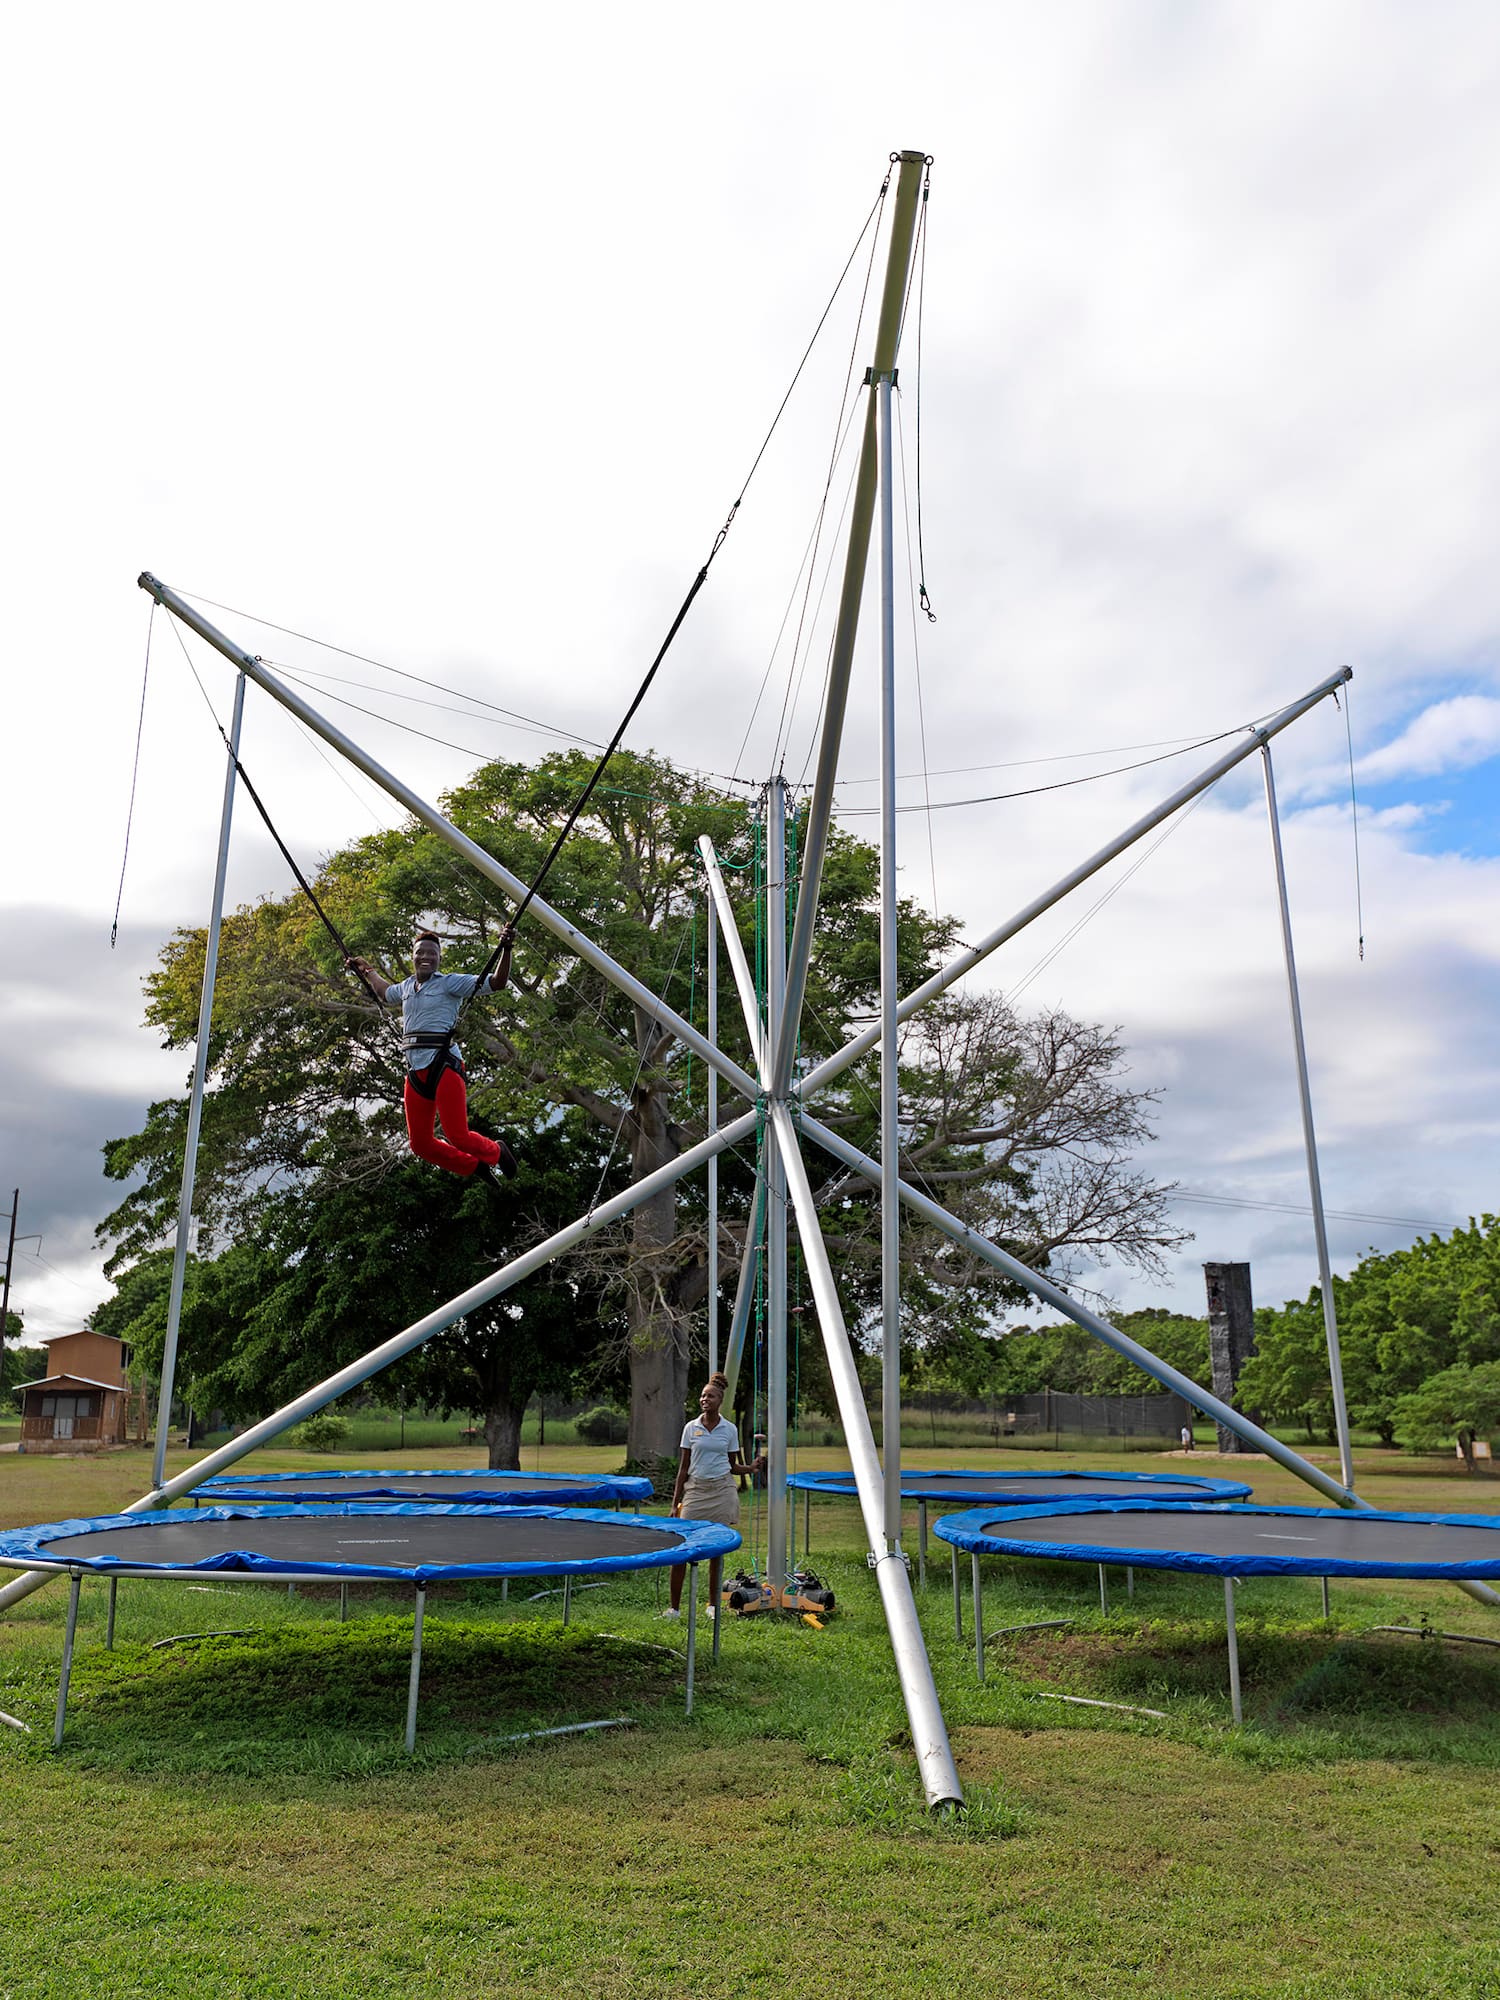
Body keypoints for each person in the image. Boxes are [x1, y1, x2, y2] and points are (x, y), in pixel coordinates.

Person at [348, 929, 518, 1182]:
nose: (426, 957)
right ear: (413, 956)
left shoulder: (449, 983)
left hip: (444, 1065)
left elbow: (497, 982)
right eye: (421, 953)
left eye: (432, 953)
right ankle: (473, 1167)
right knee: (420, 1145)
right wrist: (367, 971)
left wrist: (506, 949)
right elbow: (385, 992)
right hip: (415, 1071)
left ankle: (497, 1151)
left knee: (457, 1135)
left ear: (439, 958)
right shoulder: (406, 986)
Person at [663, 1372, 757, 1617]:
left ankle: (712, 1605)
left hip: (722, 1491)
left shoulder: (729, 1429)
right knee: (682, 1549)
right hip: (695, 1491)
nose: (705, 1399)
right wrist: (675, 1504)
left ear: (720, 1401)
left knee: (716, 1550)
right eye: (703, 1395)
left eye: (710, 1396)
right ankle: (674, 1608)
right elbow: (683, 1468)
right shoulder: (690, 1428)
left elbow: (732, 1466)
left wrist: (752, 1468)